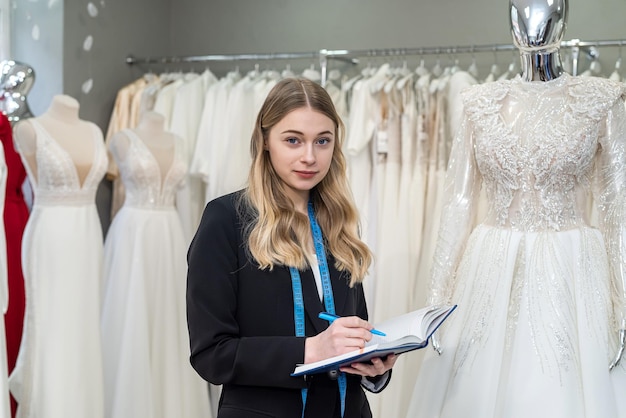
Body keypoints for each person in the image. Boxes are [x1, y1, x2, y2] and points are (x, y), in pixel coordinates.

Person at [406, 0, 626, 417]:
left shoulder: (601, 99)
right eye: (519, 7)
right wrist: (436, 299)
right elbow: (459, 200)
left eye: (546, 6)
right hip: (490, 266)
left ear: (564, 15)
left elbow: (619, 206)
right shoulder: (479, 103)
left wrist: (625, 300)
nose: (532, 20)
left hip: (572, 269)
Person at [187, 77, 397, 418]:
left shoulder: (339, 224)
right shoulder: (225, 220)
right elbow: (211, 354)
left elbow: (349, 334)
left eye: (323, 141)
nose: (310, 157)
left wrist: (373, 365)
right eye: (293, 140)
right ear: (265, 141)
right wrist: (310, 350)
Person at [102, 111, 212, 418]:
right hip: (133, 234)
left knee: (171, 317)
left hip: (170, 234)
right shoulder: (121, 140)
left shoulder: (179, 142)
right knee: (132, 315)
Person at [10, 94, 107, 418]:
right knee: (52, 328)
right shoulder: (29, 129)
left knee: (85, 329)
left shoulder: (94, 131)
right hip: (50, 238)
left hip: (89, 237)